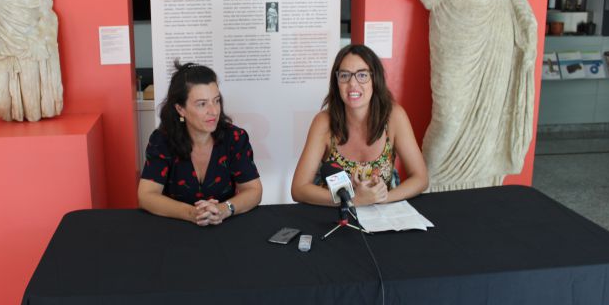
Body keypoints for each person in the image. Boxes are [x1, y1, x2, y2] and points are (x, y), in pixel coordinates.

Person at [291, 44, 428, 206]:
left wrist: (381, 199)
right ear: (337, 82)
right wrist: (353, 200)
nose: (352, 84)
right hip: (334, 214)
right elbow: (298, 189)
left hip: (383, 214)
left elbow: (421, 178)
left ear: (375, 79)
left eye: (362, 75)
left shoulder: (394, 117)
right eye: (345, 76)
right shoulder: (323, 122)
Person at [138, 61, 262, 225]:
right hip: (175, 231)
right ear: (180, 109)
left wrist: (225, 209)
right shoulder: (162, 140)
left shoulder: (235, 137)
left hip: (224, 228)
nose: (214, 111)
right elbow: (146, 195)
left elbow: (254, 191)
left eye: (216, 100)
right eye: (202, 104)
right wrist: (192, 213)